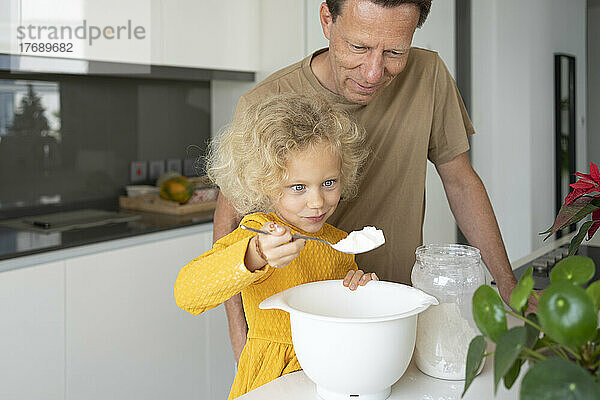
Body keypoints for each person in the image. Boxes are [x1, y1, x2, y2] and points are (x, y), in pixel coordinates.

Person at [215, 0, 521, 363]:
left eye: (394, 51)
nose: (374, 72)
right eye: (358, 47)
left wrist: (506, 281)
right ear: (327, 20)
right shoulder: (265, 101)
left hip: (397, 310)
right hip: (298, 327)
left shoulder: (428, 75)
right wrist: (238, 332)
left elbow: (461, 182)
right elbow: (229, 221)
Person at [174, 94, 378, 399]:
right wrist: (255, 254)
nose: (317, 201)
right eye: (298, 187)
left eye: (329, 183)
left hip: (329, 374)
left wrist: (360, 291)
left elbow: (342, 319)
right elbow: (186, 293)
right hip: (271, 382)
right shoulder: (257, 234)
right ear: (265, 184)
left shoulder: (339, 243)